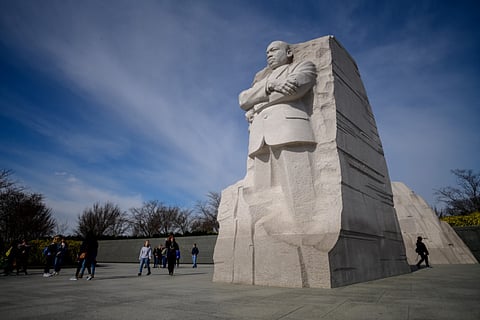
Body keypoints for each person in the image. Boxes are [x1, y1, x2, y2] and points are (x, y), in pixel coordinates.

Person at [238, 40, 317, 223]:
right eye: (267, 53)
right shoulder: (264, 80)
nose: (269, 55)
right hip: (260, 137)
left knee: (299, 188)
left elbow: (296, 89)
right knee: (262, 193)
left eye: (273, 50)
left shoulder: (302, 66)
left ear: (288, 52)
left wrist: (257, 104)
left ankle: (305, 226)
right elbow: (242, 99)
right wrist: (269, 87)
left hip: (289, 130)